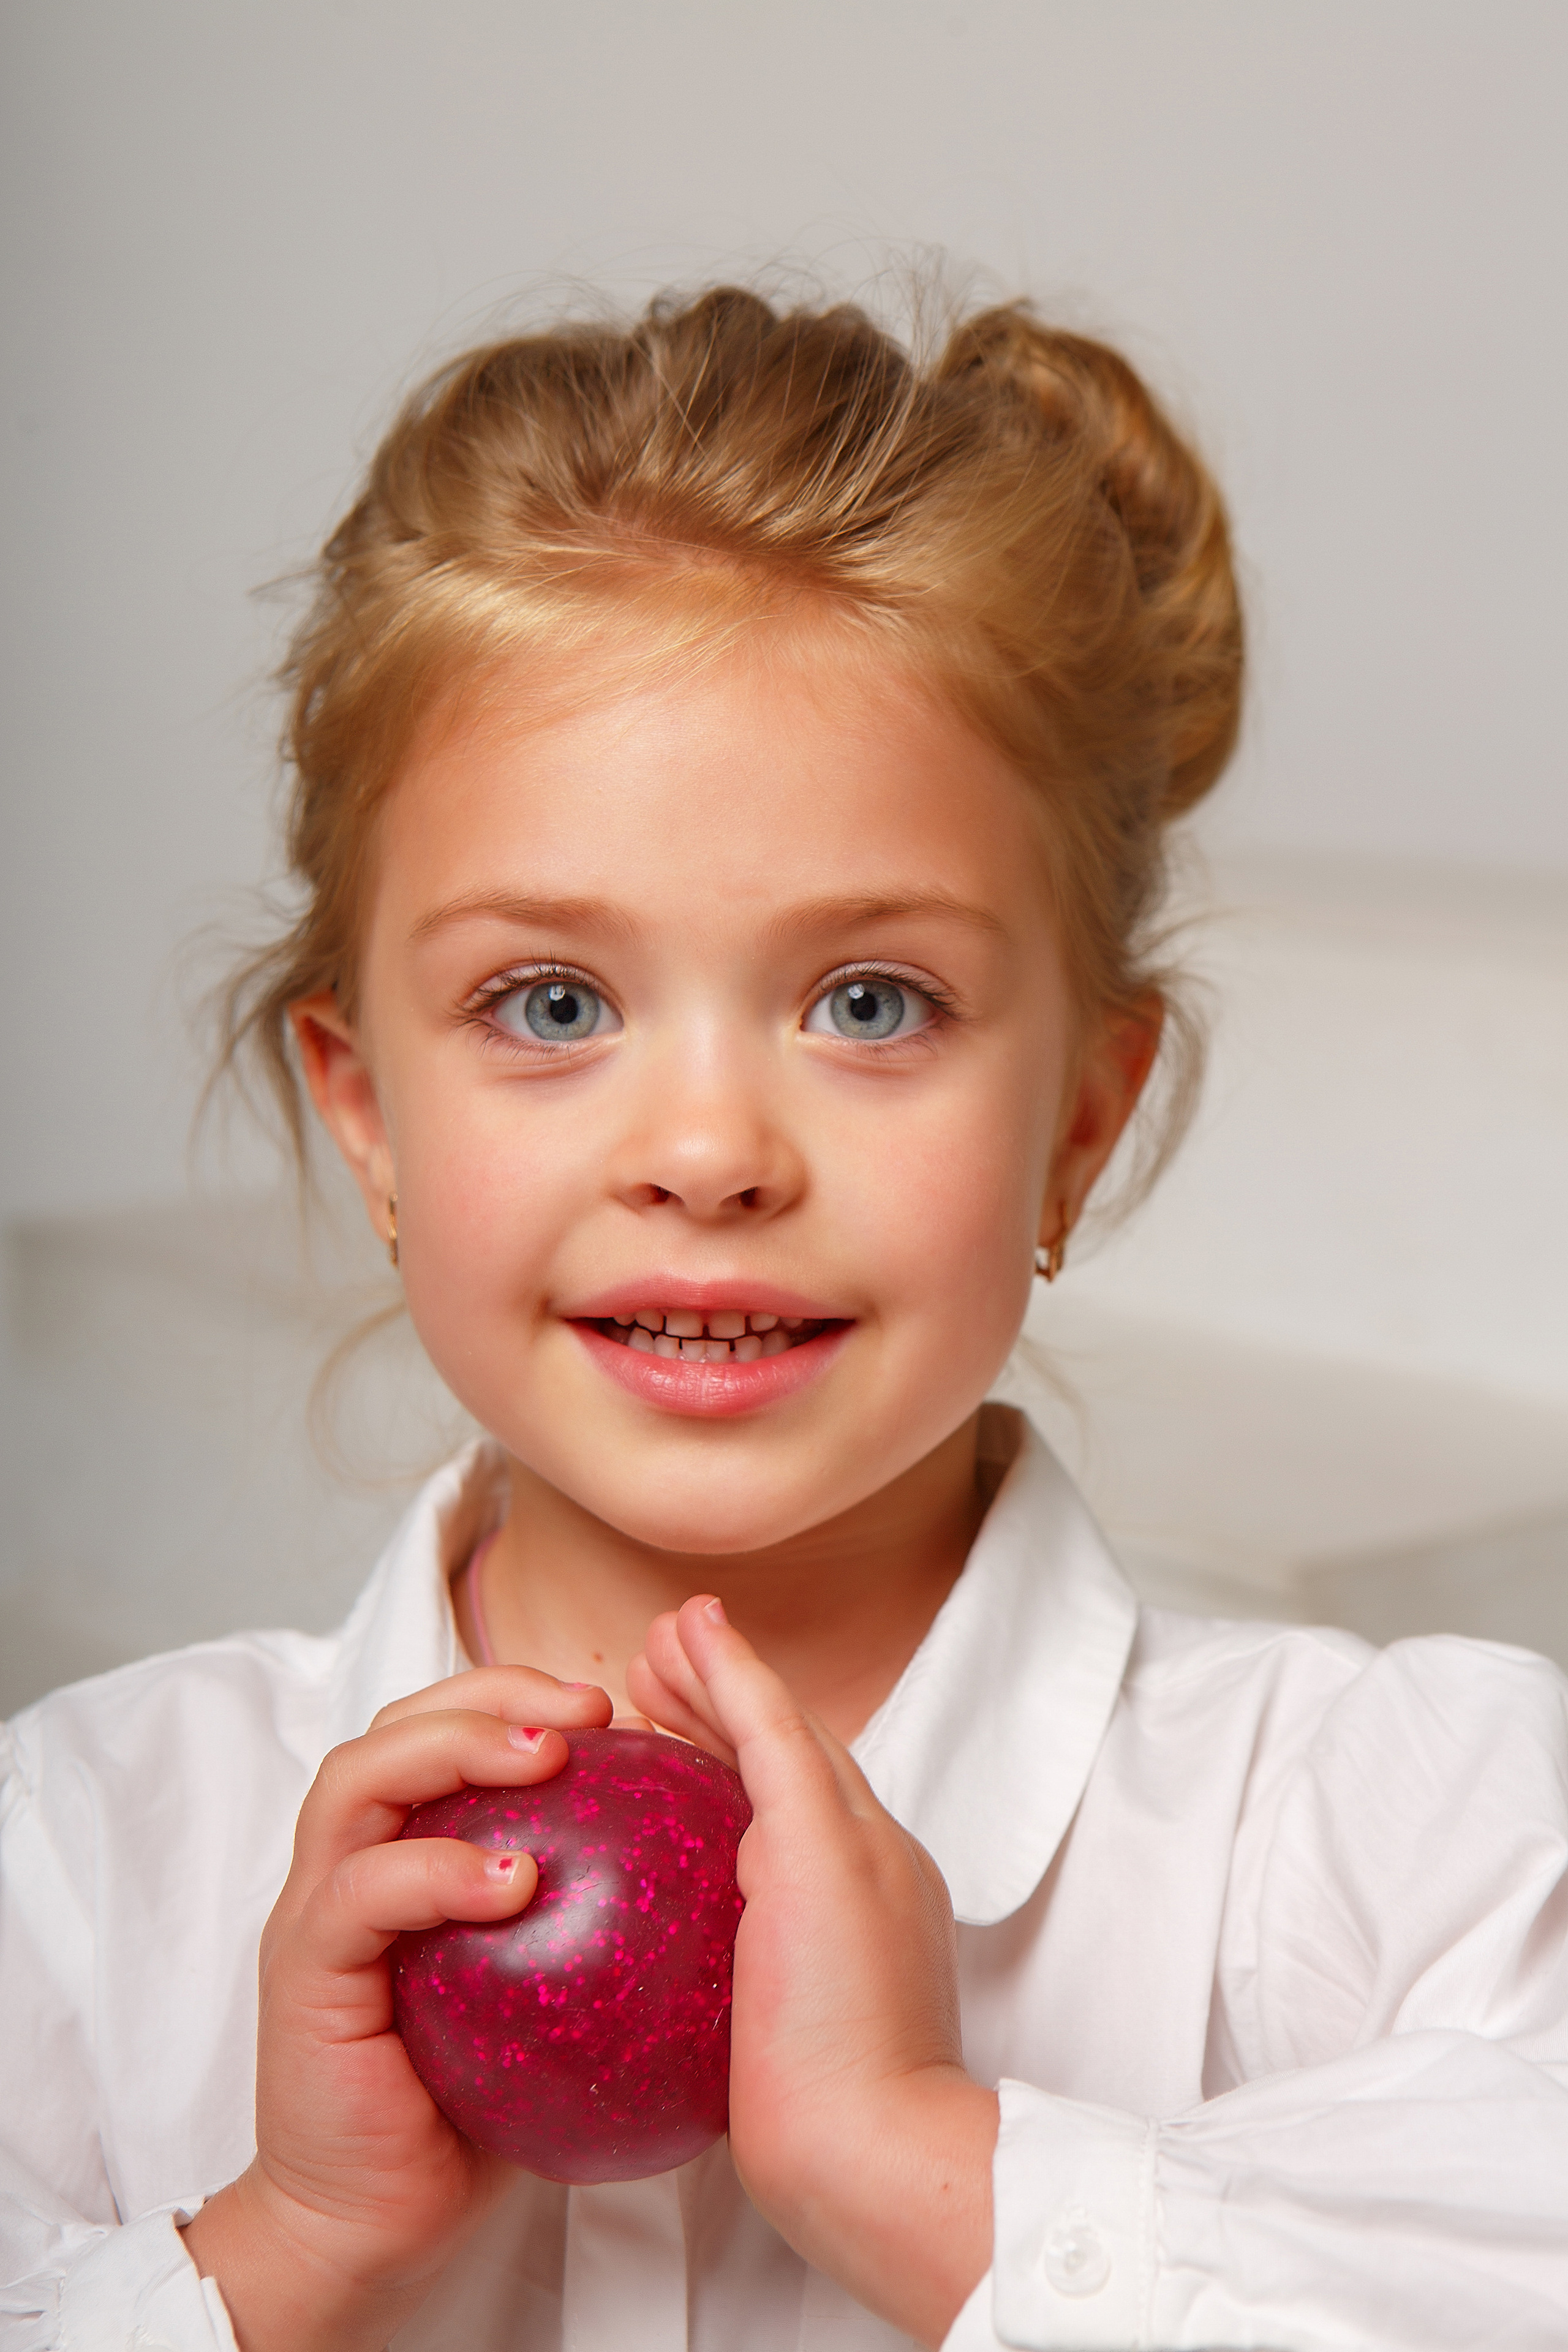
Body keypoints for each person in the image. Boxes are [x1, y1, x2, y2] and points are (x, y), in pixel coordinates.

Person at [2, 282, 1566, 2352]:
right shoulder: (80, 1867)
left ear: (1080, 1125)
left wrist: (923, 2171)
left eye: (872, 1002)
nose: (713, 1151)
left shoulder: (1419, 1844)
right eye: (550, 1004)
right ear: (366, 1118)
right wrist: (280, 2252)